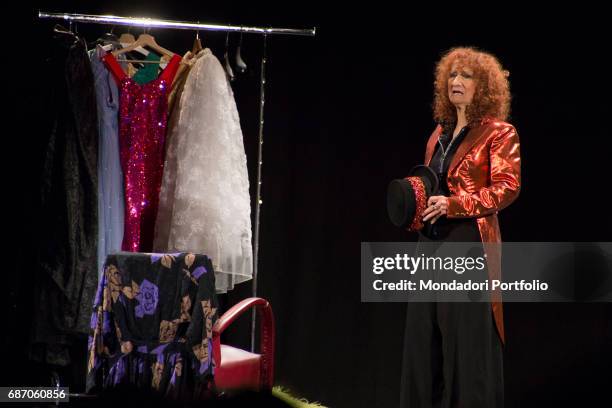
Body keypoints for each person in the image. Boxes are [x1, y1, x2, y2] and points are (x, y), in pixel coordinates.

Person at [399, 47, 521, 407]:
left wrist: (454, 205)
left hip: (468, 243)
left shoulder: (499, 133)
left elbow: (507, 187)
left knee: (464, 343)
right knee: (424, 338)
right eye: (452, 75)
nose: (456, 81)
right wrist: (413, 206)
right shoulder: (438, 133)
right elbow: (430, 184)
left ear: (482, 85)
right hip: (430, 242)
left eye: (466, 76)